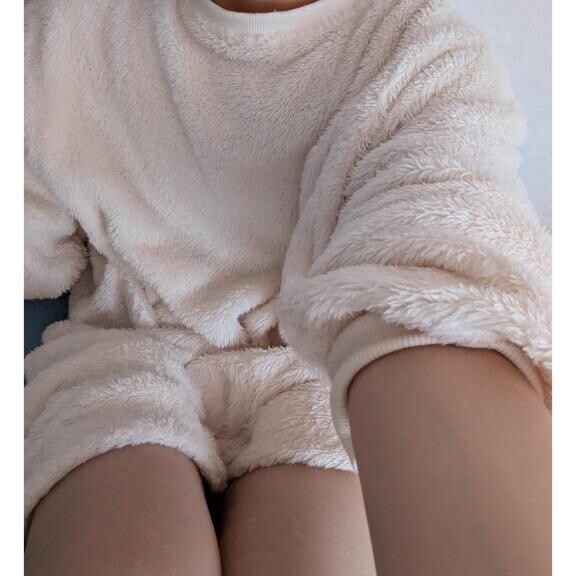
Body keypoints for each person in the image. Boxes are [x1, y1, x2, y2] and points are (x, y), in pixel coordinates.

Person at [23, 0, 552, 574]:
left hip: (311, 377)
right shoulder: (54, 34)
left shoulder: (420, 53)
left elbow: (436, 257)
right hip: (129, 354)